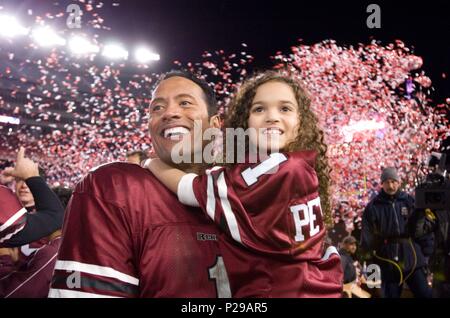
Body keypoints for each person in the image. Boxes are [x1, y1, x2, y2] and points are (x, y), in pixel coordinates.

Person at [144, 71, 343, 297]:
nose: (272, 117)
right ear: (244, 121)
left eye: (284, 108)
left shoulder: (277, 170)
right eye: (259, 109)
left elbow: (187, 188)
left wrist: (152, 163)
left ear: (301, 122)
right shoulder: (303, 165)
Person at [49, 70, 229, 298]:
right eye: (157, 108)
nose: (170, 113)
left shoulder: (245, 191)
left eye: (185, 103)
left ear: (214, 125)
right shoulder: (113, 186)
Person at [361, 167, 433, 298]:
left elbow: (422, 230)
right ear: (381, 184)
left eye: (394, 181)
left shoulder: (410, 201)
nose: (391, 185)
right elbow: (367, 240)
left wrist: (427, 255)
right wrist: (372, 277)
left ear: (399, 183)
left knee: (426, 294)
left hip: (413, 259)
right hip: (388, 262)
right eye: (387, 182)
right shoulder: (373, 207)